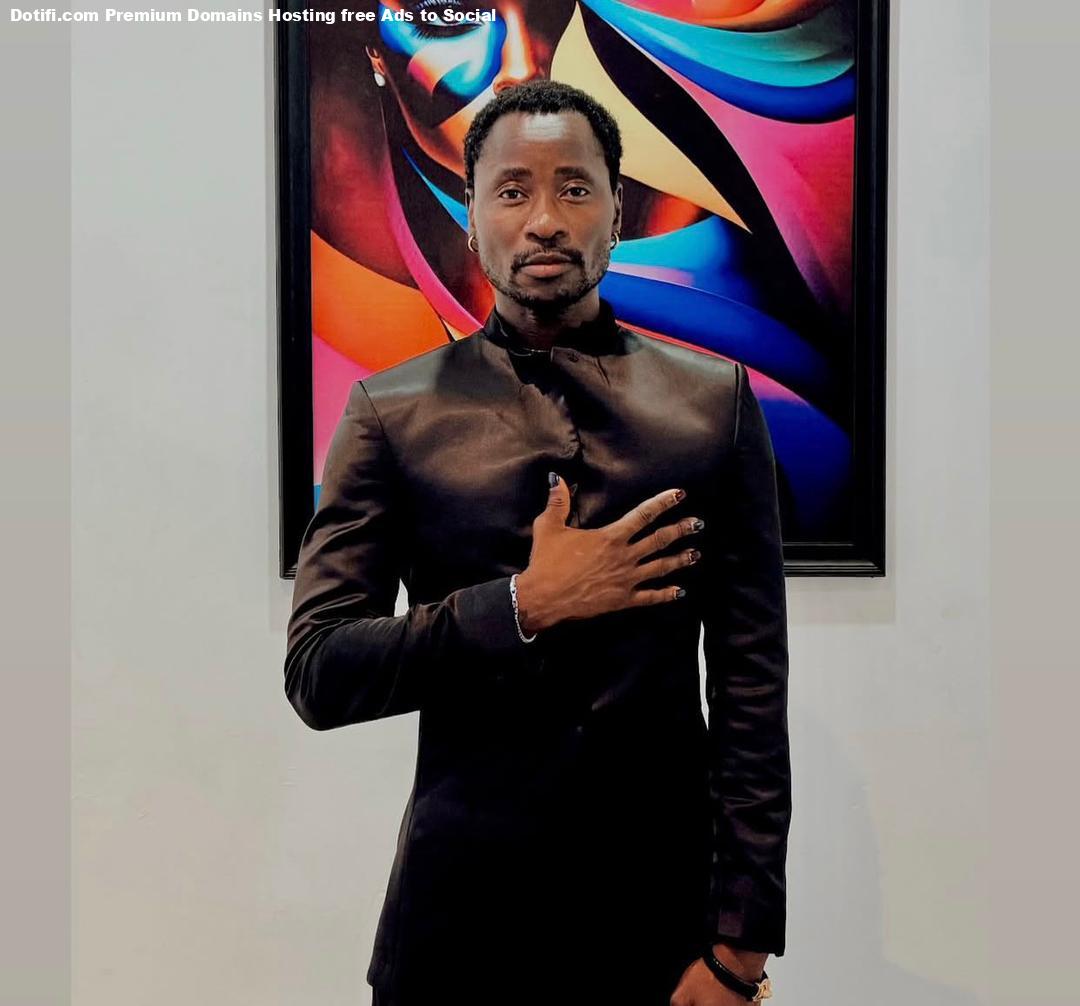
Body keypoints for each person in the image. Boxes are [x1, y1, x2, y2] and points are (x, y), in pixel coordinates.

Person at [285, 80, 791, 1006]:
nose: (545, 220)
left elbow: (752, 692)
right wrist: (521, 607)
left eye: (575, 187)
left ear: (618, 210)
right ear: (472, 214)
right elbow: (320, 671)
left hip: (661, 931)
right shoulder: (391, 413)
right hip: (455, 931)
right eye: (512, 190)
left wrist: (741, 947)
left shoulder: (713, 405)